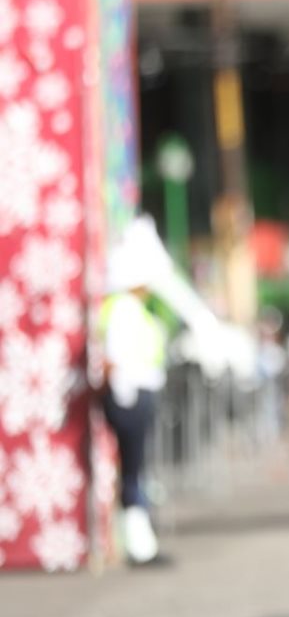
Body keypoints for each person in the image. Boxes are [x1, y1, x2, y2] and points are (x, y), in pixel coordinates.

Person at [98, 217, 171, 565]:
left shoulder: (128, 307)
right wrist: (124, 395)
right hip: (128, 397)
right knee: (133, 470)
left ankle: (142, 541)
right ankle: (139, 546)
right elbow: (114, 359)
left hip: (134, 395)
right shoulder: (124, 308)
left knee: (135, 469)